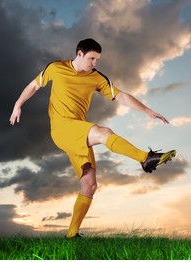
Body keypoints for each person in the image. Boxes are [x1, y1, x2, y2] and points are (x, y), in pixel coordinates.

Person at [9, 38, 176, 238]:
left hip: (78, 132)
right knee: (104, 132)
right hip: (62, 128)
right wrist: (18, 104)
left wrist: (147, 110)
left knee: (89, 184)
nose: (94, 63)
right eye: (92, 58)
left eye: (97, 59)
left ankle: (72, 234)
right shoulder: (56, 68)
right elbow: (34, 85)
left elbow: (121, 96)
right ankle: (144, 158)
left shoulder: (96, 78)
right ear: (79, 54)